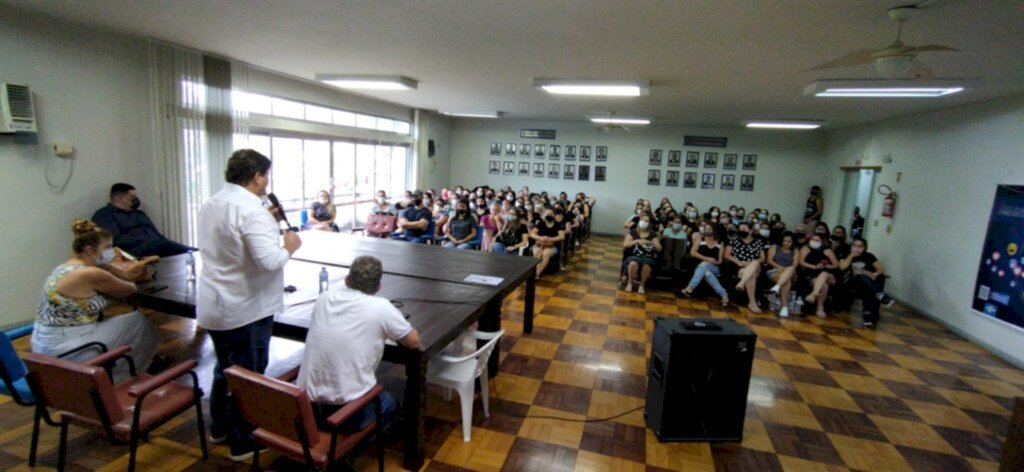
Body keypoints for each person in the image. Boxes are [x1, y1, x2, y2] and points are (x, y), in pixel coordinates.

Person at [197, 149, 302, 461]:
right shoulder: (253, 211)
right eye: (265, 175)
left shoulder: (212, 203)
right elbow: (270, 261)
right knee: (249, 376)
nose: (267, 181)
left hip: (216, 301)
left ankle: (219, 428)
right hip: (246, 307)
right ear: (257, 176)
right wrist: (289, 247)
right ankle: (243, 440)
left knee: (224, 368)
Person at [298, 256, 420, 438]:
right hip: (345, 415)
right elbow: (414, 342)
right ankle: (347, 452)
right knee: (392, 403)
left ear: (347, 280)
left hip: (305, 408)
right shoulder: (381, 307)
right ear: (378, 287)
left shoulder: (324, 298)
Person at [32, 219, 162, 375]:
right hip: (65, 347)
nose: (112, 252)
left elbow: (125, 276)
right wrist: (112, 268)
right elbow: (130, 287)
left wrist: (106, 265)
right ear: (90, 250)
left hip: (43, 343)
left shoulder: (66, 266)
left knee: (124, 322)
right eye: (107, 247)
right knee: (138, 321)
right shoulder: (91, 273)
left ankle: (123, 366)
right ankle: (132, 372)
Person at [91, 183, 193, 257]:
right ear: (121, 199)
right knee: (161, 244)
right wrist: (146, 241)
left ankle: (193, 252)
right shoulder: (104, 215)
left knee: (165, 244)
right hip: (130, 252)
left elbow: (157, 234)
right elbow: (115, 241)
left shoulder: (139, 214)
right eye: (132, 197)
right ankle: (192, 252)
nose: (136, 199)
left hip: (155, 245)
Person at [839, 238, 892, 328]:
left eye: (860, 246)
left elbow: (880, 270)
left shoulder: (869, 256)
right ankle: (880, 295)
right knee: (860, 276)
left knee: (868, 288)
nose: (857, 248)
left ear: (865, 247)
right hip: (851, 282)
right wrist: (851, 256)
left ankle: (868, 319)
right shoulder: (846, 254)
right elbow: (842, 267)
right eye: (854, 245)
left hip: (866, 283)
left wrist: (874, 274)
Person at [679, 230, 729, 307]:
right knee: (706, 272)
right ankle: (724, 295)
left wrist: (711, 262)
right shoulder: (700, 241)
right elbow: (692, 253)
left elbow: (719, 261)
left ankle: (690, 288)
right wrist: (707, 259)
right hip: (700, 266)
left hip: (714, 267)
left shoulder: (720, 244)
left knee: (704, 265)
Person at [725, 222, 767, 313]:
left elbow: (763, 258)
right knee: (750, 274)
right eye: (740, 230)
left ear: (751, 231)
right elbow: (727, 255)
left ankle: (742, 283)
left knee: (755, 262)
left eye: (744, 230)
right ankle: (752, 303)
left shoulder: (758, 242)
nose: (741, 231)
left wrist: (749, 263)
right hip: (739, 266)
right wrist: (738, 262)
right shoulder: (734, 240)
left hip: (755, 265)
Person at [798, 233, 838, 319]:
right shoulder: (805, 248)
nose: (814, 242)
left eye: (817, 240)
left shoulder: (827, 250)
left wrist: (827, 266)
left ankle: (813, 294)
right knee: (824, 285)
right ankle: (820, 308)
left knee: (824, 274)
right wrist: (814, 267)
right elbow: (801, 262)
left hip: (828, 275)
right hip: (812, 274)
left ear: (822, 242)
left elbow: (835, 265)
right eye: (813, 240)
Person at [621, 212, 661, 294]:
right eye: (642, 220)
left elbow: (659, 248)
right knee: (633, 263)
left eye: (646, 221)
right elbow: (625, 244)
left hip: (647, 256)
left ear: (649, 223)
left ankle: (642, 285)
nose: (644, 222)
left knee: (647, 264)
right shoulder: (633, 232)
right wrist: (637, 241)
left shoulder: (652, 234)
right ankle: (630, 283)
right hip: (633, 255)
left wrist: (650, 243)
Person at [766, 232, 798, 318]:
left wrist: (786, 271)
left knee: (790, 270)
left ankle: (777, 286)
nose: (786, 243)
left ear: (793, 242)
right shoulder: (775, 247)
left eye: (789, 241)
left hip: (790, 272)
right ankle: (784, 307)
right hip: (774, 270)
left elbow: (794, 266)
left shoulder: (795, 251)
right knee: (787, 280)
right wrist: (783, 269)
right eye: (785, 241)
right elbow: (769, 260)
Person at [530, 208, 565, 279]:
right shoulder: (540, 224)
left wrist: (550, 239)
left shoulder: (558, 225)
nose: (549, 215)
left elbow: (562, 236)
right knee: (537, 251)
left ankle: (537, 273)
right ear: (544, 215)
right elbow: (532, 234)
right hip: (540, 244)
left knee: (546, 253)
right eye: (547, 213)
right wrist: (541, 238)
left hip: (552, 246)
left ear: (554, 215)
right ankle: (535, 272)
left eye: (551, 214)